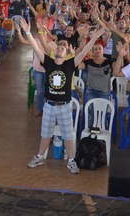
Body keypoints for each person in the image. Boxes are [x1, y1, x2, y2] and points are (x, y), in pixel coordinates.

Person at [20, 18, 105, 174]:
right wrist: (27, 31)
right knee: (45, 134)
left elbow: (85, 51)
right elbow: (35, 46)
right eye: (58, 47)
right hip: (49, 105)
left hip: (64, 106)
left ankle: (71, 161)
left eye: (62, 49)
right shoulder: (48, 62)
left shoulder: (70, 64)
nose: (59, 49)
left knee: (67, 135)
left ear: (66, 54)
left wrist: (94, 37)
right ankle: (40, 157)